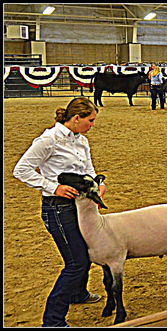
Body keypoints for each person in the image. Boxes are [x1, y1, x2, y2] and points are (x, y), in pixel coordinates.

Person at [13, 97, 105, 327]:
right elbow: (21, 170)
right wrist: (54, 187)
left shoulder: (81, 140)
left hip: (81, 207)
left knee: (85, 251)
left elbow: (88, 170)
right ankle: (53, 321)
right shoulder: (48, 140)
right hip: (57, 208)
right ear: (76, 118)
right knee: (76, 262)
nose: (92, 125)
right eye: (90, 120)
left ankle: (78, 293)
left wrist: (98, 184)